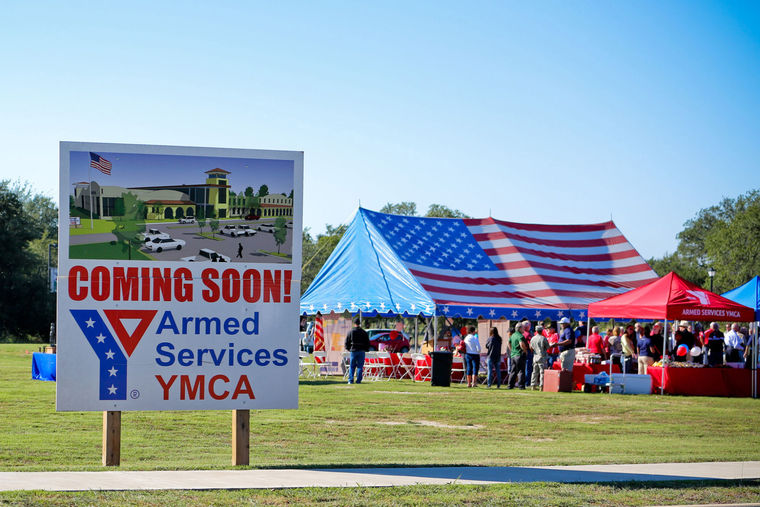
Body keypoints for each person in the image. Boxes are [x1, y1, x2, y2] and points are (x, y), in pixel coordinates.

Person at [344, 318, 370, 384]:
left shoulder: (351, 332)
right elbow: (367, 342)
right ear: (360, 324)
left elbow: (346, 342)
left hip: (353, 350)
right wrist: (366, 349)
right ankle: (358, 380)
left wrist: (349, 349)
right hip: (361, 351)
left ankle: (350, 380)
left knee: (352, 366)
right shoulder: (364, 332)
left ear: (354, 323)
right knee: (360, 366)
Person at [508, 324, 528, 389]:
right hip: (519, 355)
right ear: (519, 329)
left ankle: (510, 385)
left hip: (513, 355)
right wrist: (525, 351)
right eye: (523, 328)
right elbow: (521, 344)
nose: (524, 329)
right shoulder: (520, 336)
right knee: (521, 371)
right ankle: (521, 386)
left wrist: (512, 350)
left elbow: (508, 343)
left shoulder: (513, 335)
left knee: (513, 371)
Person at [530, 325, 550, 390]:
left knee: (534, 372)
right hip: (542, 356)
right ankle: (541, 385)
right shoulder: (543, 338)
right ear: (542, 331)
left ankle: (533, 385)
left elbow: (531, 347)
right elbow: (548, 347)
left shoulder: (533, 338)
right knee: (542, 372)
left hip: (535, 356)